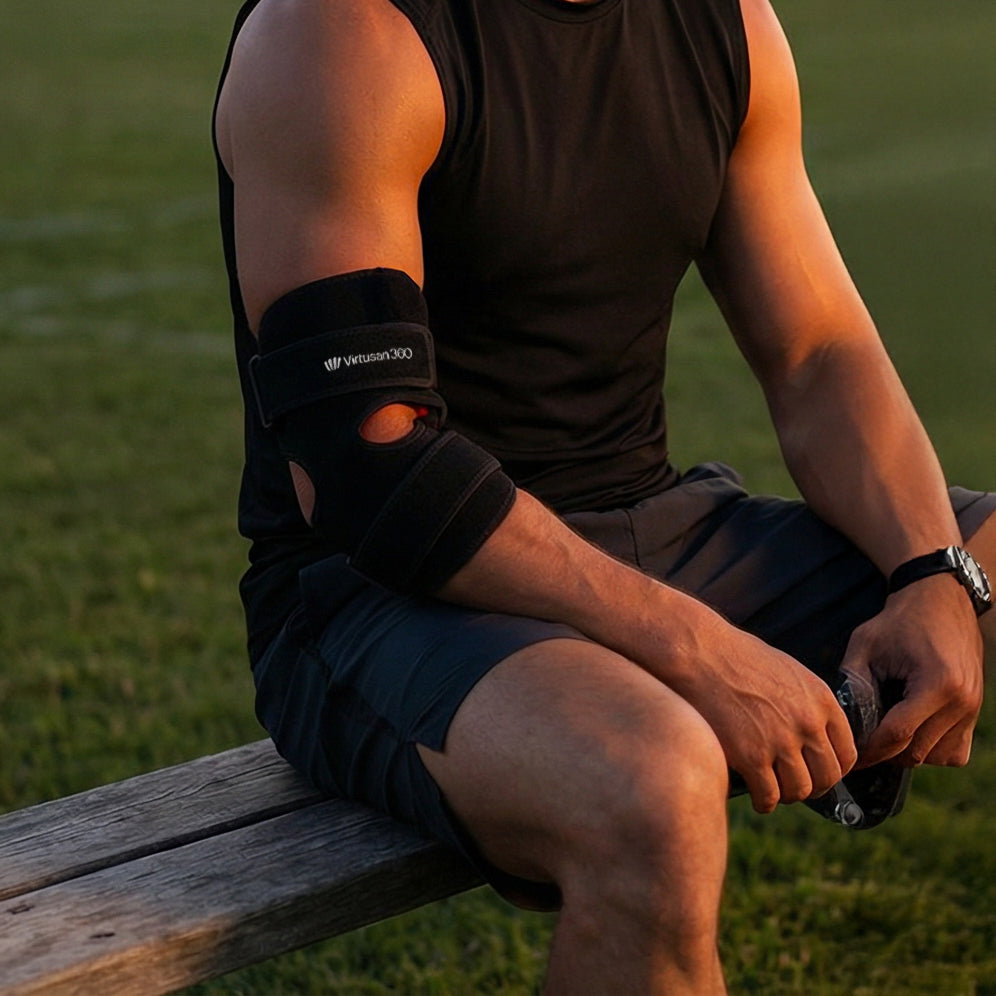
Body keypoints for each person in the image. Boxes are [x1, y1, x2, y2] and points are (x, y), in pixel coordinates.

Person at [212, 0, 995, 990]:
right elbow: (365, 465)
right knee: (653, 785)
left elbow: (816, 351)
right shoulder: (344, 32)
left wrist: (935, 574)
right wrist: (696, 649)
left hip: (647, 526)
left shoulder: (728, 22)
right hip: (378, 590)